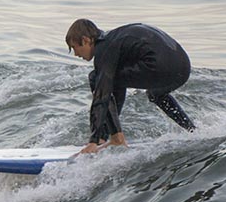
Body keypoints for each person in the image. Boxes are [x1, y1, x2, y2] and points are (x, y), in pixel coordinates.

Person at [65, 19, 196, 155]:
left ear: (86, 40)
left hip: (159, 67)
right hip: (183, 68)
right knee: (155, 95)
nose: (76, 54)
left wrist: (93, 140)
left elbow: (102, 94)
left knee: (96, 78)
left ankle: (114, 138)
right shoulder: (114, 39)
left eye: (74, 47)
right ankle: (192, 131)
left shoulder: (104, 48)